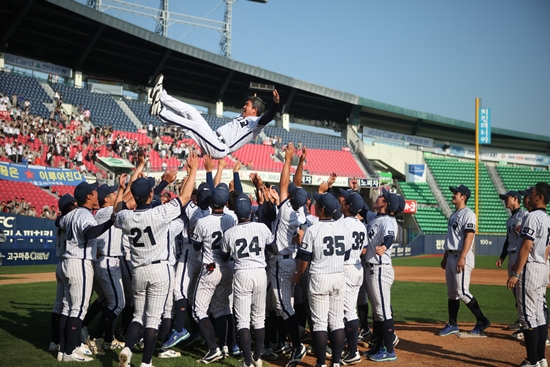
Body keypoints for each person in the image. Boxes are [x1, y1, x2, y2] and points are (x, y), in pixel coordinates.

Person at [114, 152, 198, 367]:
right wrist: (193, 170)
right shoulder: (159, 213)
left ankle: (127, 347)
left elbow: (118, 211)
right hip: (159, 269)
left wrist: (123, 189)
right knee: (152, 319)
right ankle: (146, 363)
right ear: (151, 195)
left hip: (138, 269)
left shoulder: (126, 217)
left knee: (137, 316)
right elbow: (185, 198)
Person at [149, 74, 280, 159]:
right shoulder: (244, 117)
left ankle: (160, 112)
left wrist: (275, 104)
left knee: (193, 126)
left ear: (254, 110)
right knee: (191, 111)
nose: (244, 107)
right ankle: (161, 95)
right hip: (213, 136)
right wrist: (253, 99)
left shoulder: (256, 123)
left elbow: (267, 117)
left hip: (220, 147)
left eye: (247, 105)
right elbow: (252, 108)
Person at [57, 181, 115, 362]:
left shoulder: (72, 214)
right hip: (80, 263)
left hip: (68, 261)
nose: (97, 193)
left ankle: (62, 348)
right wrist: (110, 222)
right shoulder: (85, 214)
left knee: (67, 308)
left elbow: (59, 222)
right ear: (89, 196)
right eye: (95, 191)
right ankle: (70, 351)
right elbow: (90, 233)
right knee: (78, 309)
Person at [294, 191, 350, 367]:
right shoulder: (343, 228)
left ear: (322, 209)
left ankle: (320, 363)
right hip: (339, 276)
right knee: (336, 321)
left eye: (317, 205)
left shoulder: (313, 230)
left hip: (319, 277)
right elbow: (346, 255)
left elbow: (305, 259)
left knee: (319, 323)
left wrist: (298, 275)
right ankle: (336, 362)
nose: (315, 206)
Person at [221, 193, 274, 367]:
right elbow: (272, 247)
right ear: (251, 211)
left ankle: (247, 362)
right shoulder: (262, 228)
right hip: (259, 272)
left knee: (243, 320)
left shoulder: (229, 232)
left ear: (236, 213)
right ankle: (257, 357)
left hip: (242, 272)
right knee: (259, 318)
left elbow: (223, 256)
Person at [190, 183, 236, 364]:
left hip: (210, 267)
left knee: (198, 309)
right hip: (228, 266)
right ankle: (223, 346)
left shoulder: (202, 221)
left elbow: (195, 245)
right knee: (221, 308)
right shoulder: (231, 218)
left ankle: (213, 348)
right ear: (225, 202)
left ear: (211, 203)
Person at [507, 182, 550, 367]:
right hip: (542, 266)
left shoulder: (532, 217)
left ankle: (531, 361)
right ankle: (540, 359)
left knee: (527, 317)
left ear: (539, 197)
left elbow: (526, 246)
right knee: (539, 316)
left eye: (532, 193)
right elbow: (548, 249)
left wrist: (516, 273)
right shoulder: (547, 218)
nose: (529, 196)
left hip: (530, 268)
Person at [439, 185, 491, 337]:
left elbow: (469, 236)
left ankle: (482, 320)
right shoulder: (454, 214)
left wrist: (462, 257)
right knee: (452, 293)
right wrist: (445, 257)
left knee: (462, 292)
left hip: (462, 255)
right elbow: (451, 238)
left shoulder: (468, 214)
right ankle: (453, 324)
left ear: (464, 197)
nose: (453, 194)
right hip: (451, 255)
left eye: (456, 193)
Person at [362, 189, 399, 362]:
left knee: (383, 311)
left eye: (381, 197)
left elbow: (389, 238)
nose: (378, 197)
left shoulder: (388, 221)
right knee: (378, 312)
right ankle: (378, 346)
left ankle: (389, 350)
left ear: (385, 204)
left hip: (380, 268)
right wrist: (355, 191)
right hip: (372, 269)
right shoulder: (376, 218)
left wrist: (384, 247)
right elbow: (361, 210)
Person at [337, 189, 367, 365]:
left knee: (347, 311)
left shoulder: (344, 225)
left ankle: (353, 351)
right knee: (348, 310)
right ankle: (347, 346)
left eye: (344, 201)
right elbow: (363, 250)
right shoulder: (360, 225)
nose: (341, 201)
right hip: (357, 267)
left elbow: (345, 251)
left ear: (348, 206)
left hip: (347, 268)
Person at [495, 190, 529, 333]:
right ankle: (521, 319)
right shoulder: (509, 220)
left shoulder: (525, 215)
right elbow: (508, 240)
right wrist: (502, 257)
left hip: (520, 255)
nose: (505, 201)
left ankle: (526, 322)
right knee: (516, 291)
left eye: (507, 198)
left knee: (523, 291)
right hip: (511, 255)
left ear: (516, 199)